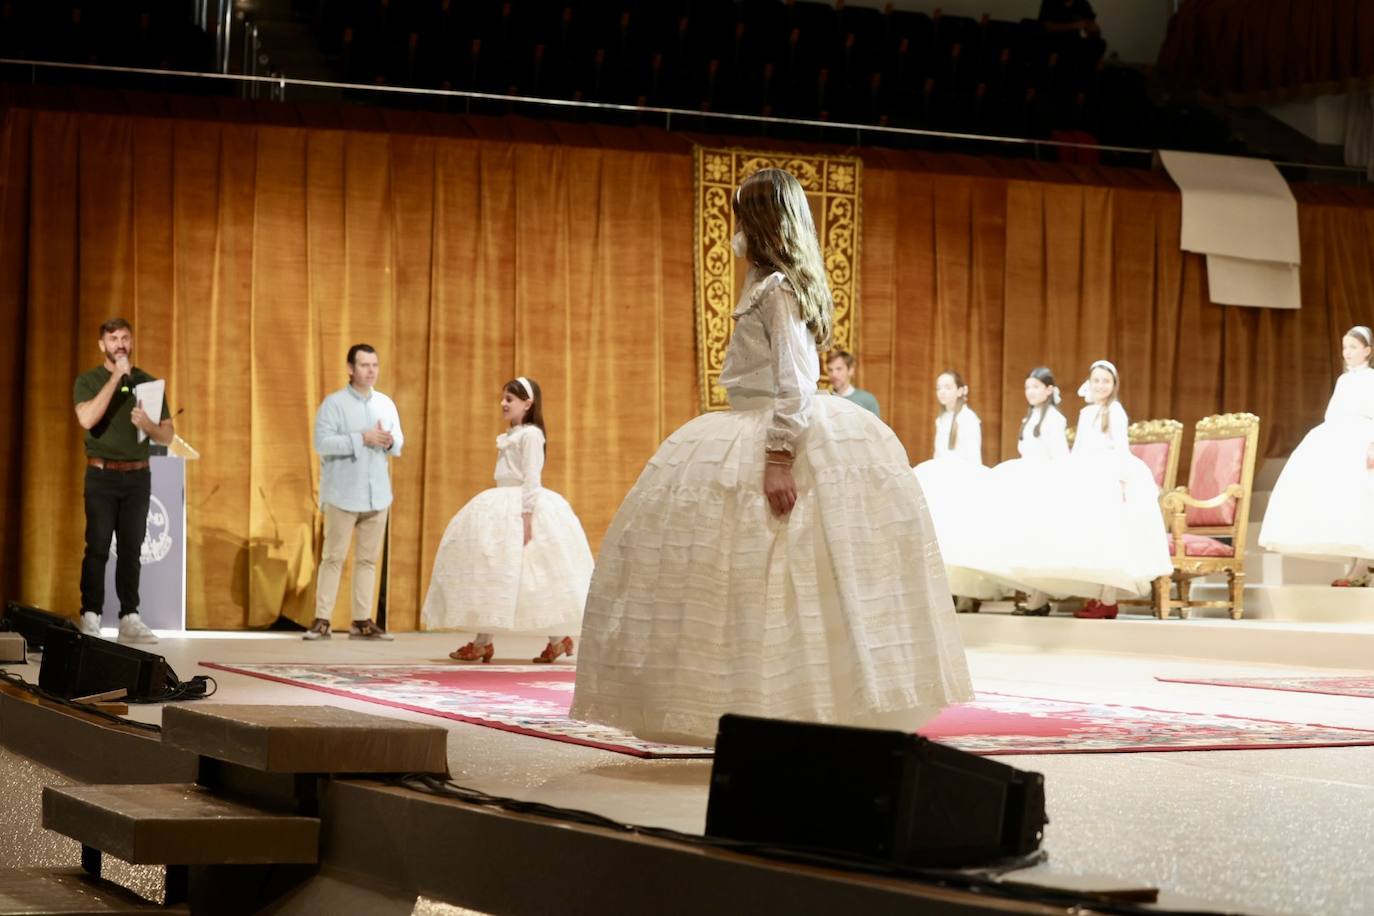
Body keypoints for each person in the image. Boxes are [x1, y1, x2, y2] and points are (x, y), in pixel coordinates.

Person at [571, 168, 972, 746]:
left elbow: (796, 380)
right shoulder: (765, 283)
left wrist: (779, 456)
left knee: (788, 571)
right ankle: (758, 704)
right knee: (747, 576)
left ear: (758, 222)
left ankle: (812, 710)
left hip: (774, 430)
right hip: (745, 420)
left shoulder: (778, 288)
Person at [422, 377, 594, 663]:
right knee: (494, 572)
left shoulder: (531, 436)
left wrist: (527, 517)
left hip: (521, 506)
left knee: (533, 575)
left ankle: (536, 638)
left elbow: (531, 477)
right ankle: (490, 641)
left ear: (527, 404)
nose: (503, 403)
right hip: (500, 502)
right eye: (502, 398)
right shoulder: (511, 434)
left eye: (510, 399)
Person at [1007, 360, 1171, 619]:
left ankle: (1108, 598)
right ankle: (1097, 597)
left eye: (1106, 381)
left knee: (1109, 536)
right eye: (1096, 380)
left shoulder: (1115, 411)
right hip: (1088, 472)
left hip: (1108, 475)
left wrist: (1122, 477)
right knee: (1090, 536)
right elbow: (1080, 447)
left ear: (1114, 384)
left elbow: (1120, 448)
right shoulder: (1086, 413)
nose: (1100, 385)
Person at [73, 318, 174, 646]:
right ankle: (91, 615)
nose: (120, 344)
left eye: (125, 338)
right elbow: (87, 418)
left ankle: (130, 616)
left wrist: (149, 423)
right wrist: (116, 376)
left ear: (132, 342)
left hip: (137, 475)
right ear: (102, 345)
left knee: (132, 549)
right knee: (98, 546)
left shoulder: (147, 383)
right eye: (113, 338)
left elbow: (168, 434)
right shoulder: (89, 380)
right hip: (101, 474)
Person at [1260, 326, 1374, 582]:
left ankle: (1364, 566)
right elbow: (1333, 411)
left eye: (1353, 347)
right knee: (1345, 501)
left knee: (1365, 499)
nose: (1347, 353)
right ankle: (1359, 567)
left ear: (1367, 351)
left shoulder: (1371, 379)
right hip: (1341, 435)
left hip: (1364, 437)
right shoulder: (1344, 380)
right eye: (1345, 348)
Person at [305, 344, 403, 641]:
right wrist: (361, 438)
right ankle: (322, 620)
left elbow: (398, 443)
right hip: (344, 493)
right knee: (333, 557)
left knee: (368, 560)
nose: (371, 370)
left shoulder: (386, 403)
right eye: (364, 365)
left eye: (374, 364)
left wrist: (386, 441)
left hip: (377, 495)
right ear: (350, 369)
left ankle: (361, 621)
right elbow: (322, 443)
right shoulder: (334, 404)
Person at [971, 367, 1070, 615]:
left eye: (1036, 387)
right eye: (1028, 387)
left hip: (1043, 482)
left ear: (1049, 390)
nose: (1031, 392)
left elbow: (1059, 457)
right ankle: (1033, 595)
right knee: (1025, 540)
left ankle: (1039, 597)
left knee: (1040, 541)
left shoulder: (1055, 419)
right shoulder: (1030, 417)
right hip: (1027, 477)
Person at [912, 371, 997, 610]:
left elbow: (972, 456)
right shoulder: (942, 419)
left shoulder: (969, 419)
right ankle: (948, 589)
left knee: (962, 537)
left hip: (960, 480)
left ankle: (968, 594)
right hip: (941, 478)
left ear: (961, 390)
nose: (942, 392)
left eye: (948, 387)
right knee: (942, 537)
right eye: (939, 387)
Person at [826, 349, 881, 418]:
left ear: (851, 370)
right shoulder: (824, 399)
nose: (833, 374)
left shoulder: (868, 400)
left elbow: (875, 428)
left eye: (839, 369)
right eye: (830, 370)